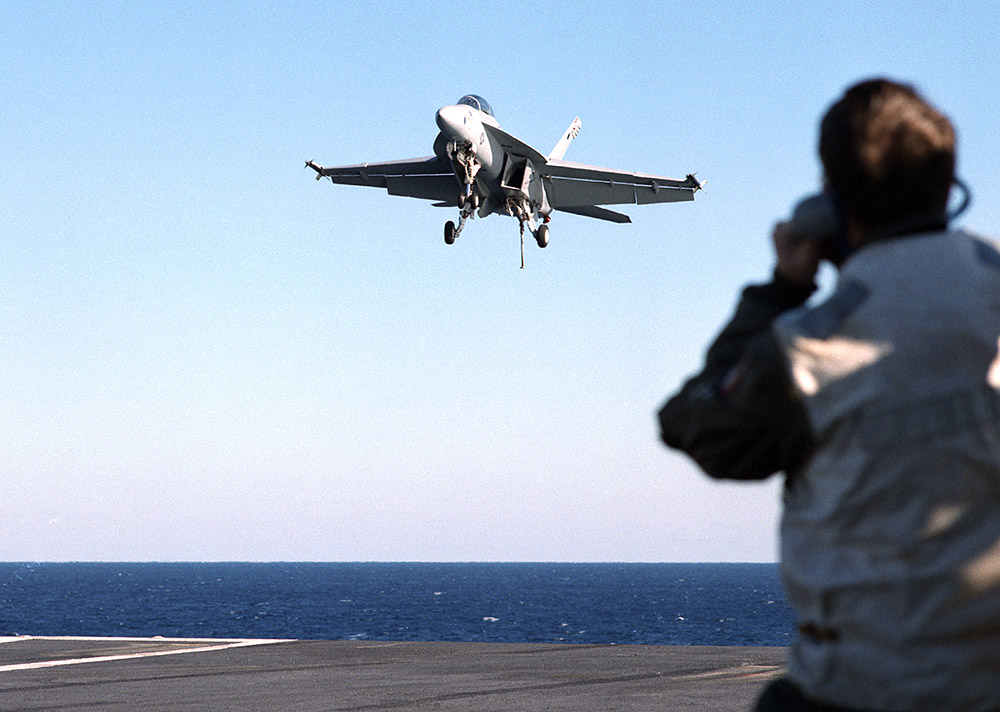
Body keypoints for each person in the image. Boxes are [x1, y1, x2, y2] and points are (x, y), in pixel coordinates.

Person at [658, 78, 1000, 711]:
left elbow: (693, 425)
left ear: (829, 205)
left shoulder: (808, 346)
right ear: (947, 184)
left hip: (855, 693)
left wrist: (781, 289)